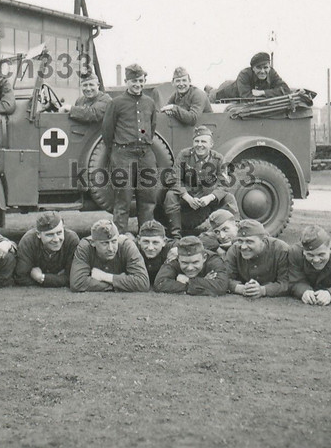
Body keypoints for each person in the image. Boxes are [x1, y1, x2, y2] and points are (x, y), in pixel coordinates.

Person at [101, 63, 158, 234]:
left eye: (140, 81)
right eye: (134, 81)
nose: (137, 84)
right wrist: (116, 152)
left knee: (148, 198)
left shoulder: (149, 102)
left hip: (145, 154)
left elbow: (152, 127)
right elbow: (107, 130)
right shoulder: (116, 103)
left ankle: (147, 236)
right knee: (123, 199)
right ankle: (119, 239)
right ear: (126, 81)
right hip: (123, 154)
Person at [162, 126, 238, 239]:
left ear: (211, 144)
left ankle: (235, 231)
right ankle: (175, 235)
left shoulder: (218, 159)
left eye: (203, 141)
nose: (199, 145)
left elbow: (225, 184)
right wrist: (186, 196)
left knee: (229, 198)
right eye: (196, 141)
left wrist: (211, 197)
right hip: (188, 195)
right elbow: (173, 177)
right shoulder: (184, 155)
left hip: (207, 197)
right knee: (171, 195)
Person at [69, 219, 150, 293]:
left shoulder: (127, 245)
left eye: (114, 241)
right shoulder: (85, 247)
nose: (111, 248)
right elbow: (77, 282)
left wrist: (104, 277)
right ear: (93, 242)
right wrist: (116, 285)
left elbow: (143, 282)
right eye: (105, 243)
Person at [226, 219, 290, 298]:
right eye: (240, 241)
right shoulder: (234, 250)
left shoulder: (281, 250)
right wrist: (241, 289)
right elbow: (225, 278)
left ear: (263, 240)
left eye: (249, 242)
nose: (243, 247)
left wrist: (264, 290)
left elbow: (287, 282)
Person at [14, 211, 80, 287]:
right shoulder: (28, 241)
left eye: (59, 233)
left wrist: (41, 278)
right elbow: (21, 277)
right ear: (38, 234)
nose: (56, 239)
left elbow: (73, 278)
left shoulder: (71, 240)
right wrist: (59, 278)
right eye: (50, 235)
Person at [153, 236, 229, 296]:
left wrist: (188, 280)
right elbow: (160, 284)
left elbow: (221, 286)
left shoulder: (214, 260)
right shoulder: (174, 259)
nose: (190, 268)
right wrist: (203, 283)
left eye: (195, 262)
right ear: (178, 259)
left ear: (204, 258)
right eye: (185, 263)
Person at [214, 52, 290, 101]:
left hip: (244, 94)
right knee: (212, 94)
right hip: (225, 95)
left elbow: (286, 90)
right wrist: (273, 94)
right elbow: (247, 98)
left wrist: (263, 92)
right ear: (253, 68)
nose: (263, 71)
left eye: (265, 67)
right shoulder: (244, 74)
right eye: (259, 68)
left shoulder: (272, 73)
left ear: (269, 67)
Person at [132, 219, 175, 286]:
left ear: (164, 242)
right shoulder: (132, 248)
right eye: (146, 242)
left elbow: (186, 243)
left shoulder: (171, 248)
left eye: (155, 242)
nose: (150, 248)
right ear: (138, 240)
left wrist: (179, 249)